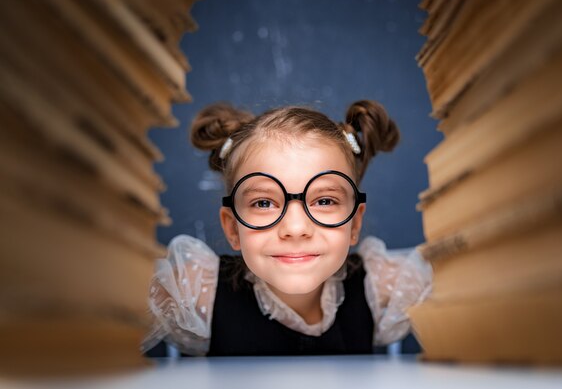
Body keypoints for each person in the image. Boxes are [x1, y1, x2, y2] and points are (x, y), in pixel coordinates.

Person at [142, 100, 432, 356]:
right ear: (232, 228)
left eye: (325, 200)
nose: (295, 228)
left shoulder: (384, 287)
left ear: (354, 223)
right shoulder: (193, 293)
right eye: (264, 203)